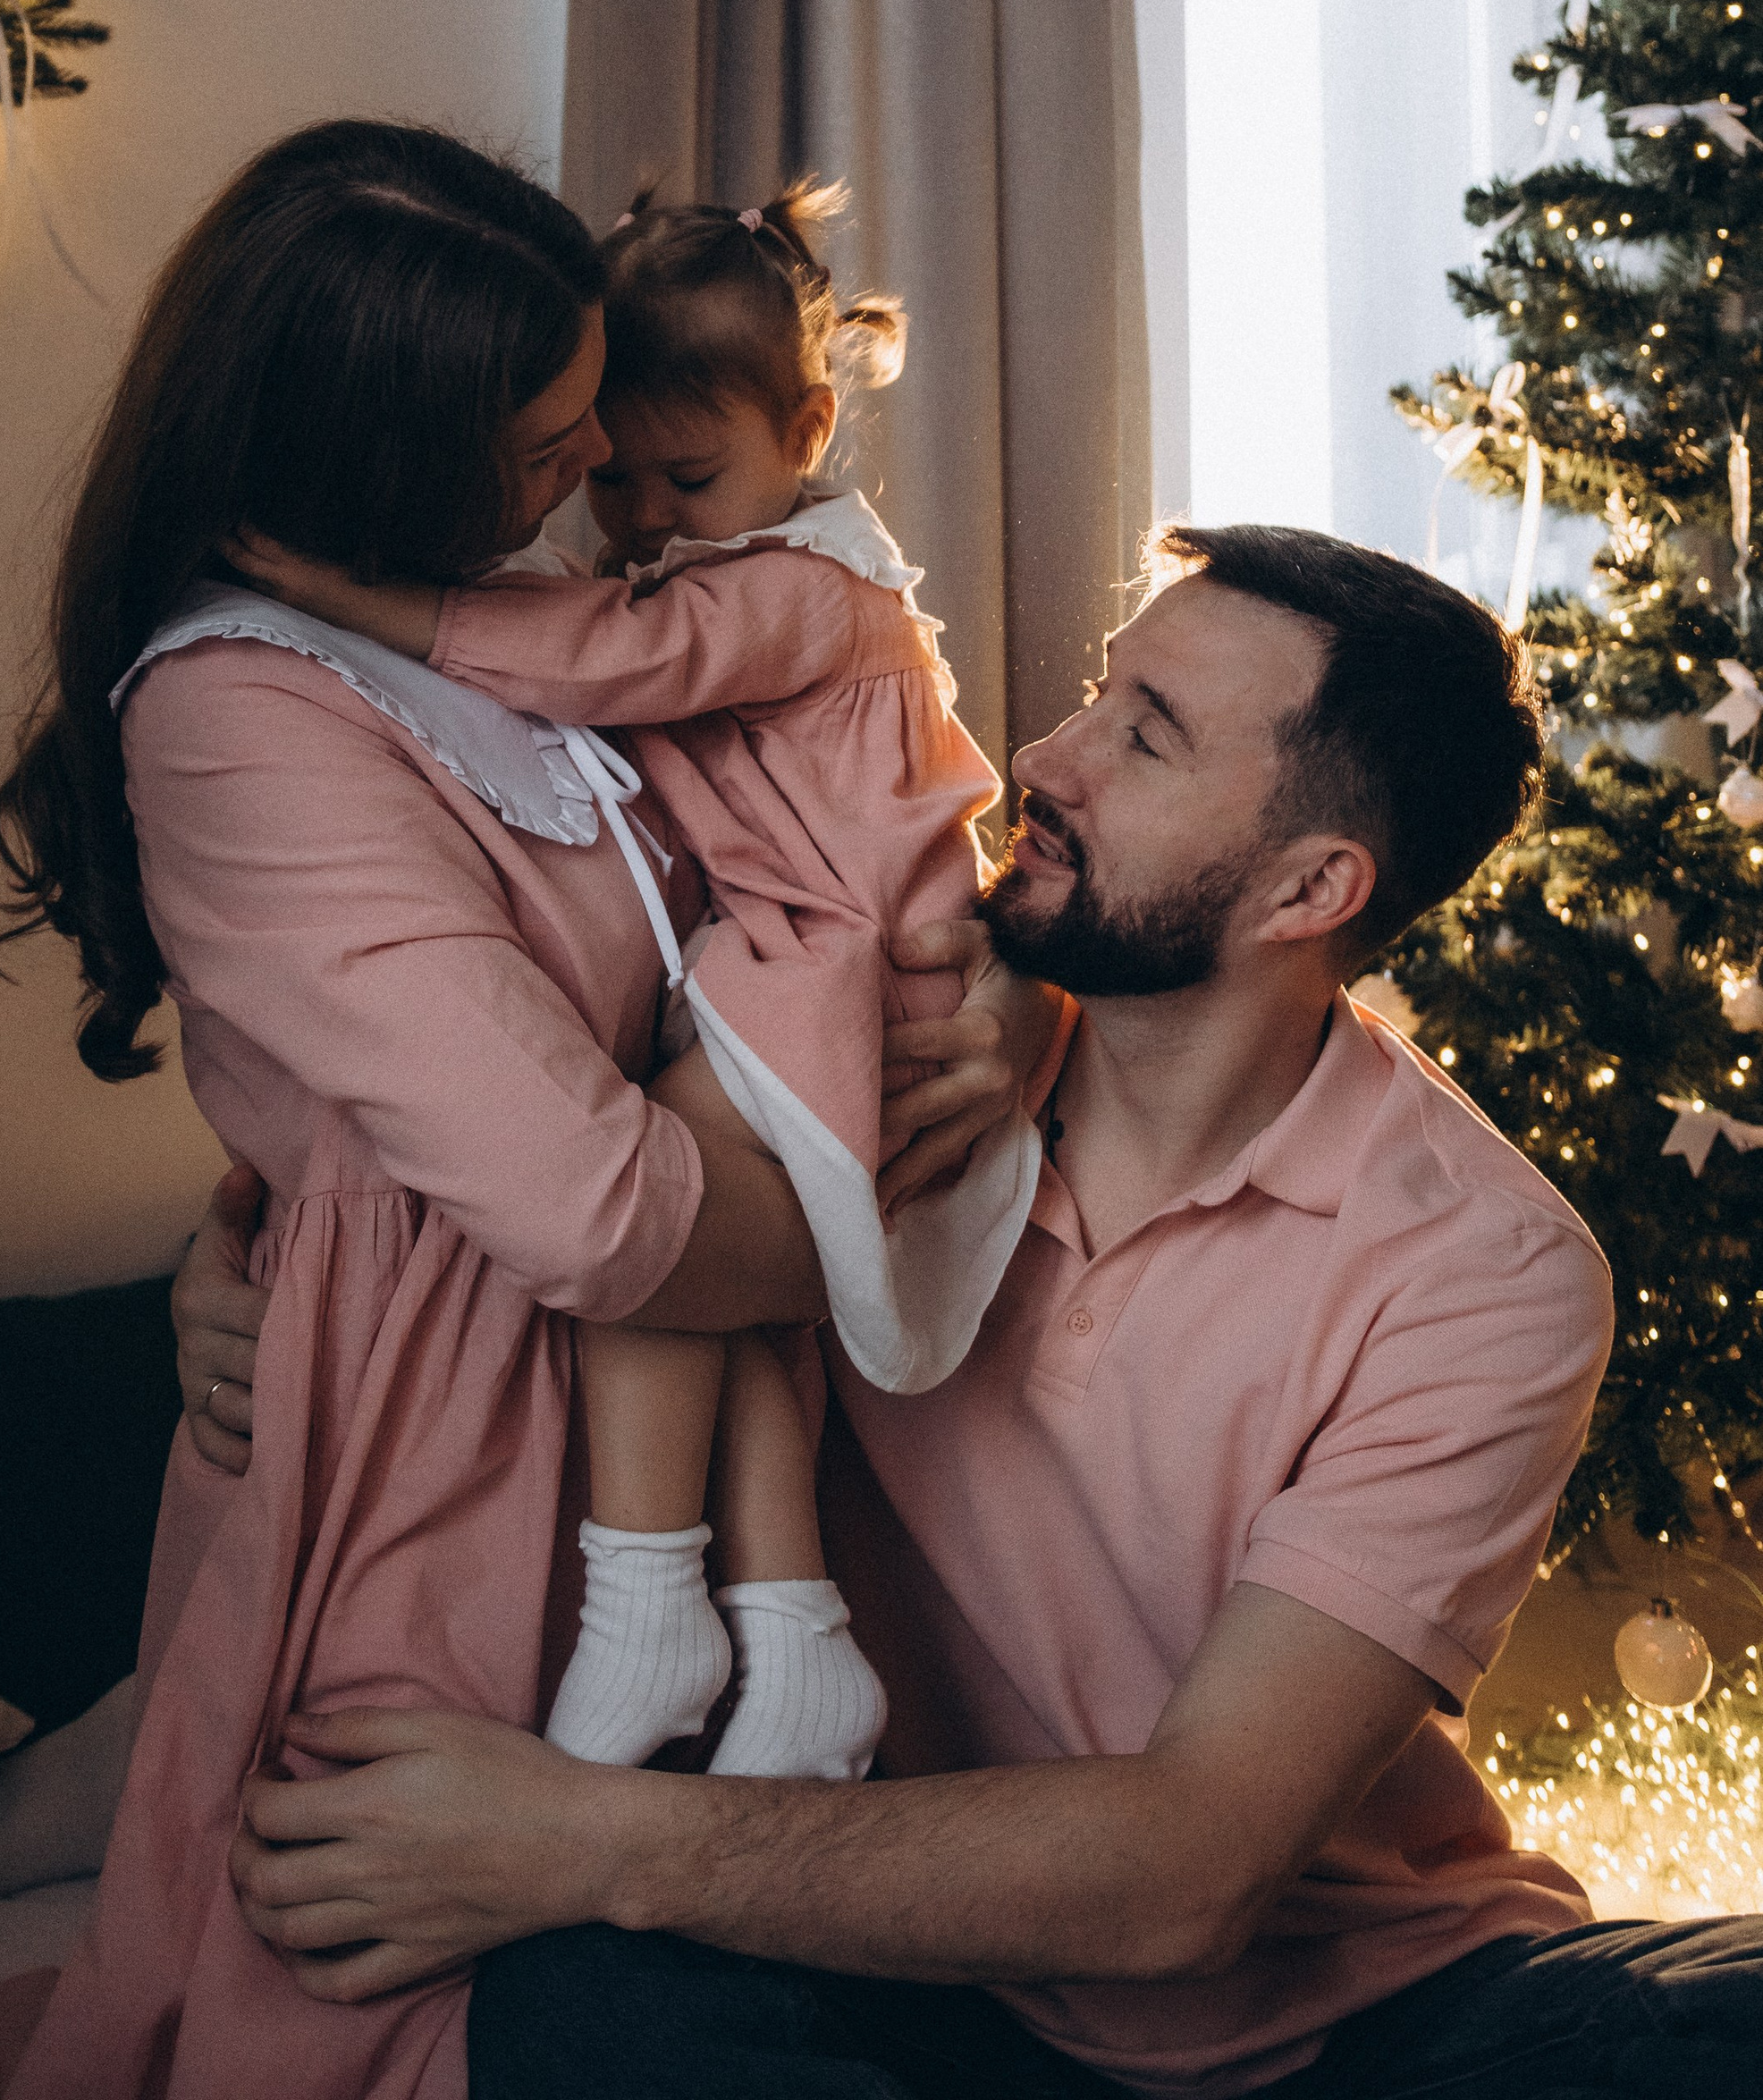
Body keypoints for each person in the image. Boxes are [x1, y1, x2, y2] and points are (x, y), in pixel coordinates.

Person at [176, 523, 1763, 2093]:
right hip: (915, 1982)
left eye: (1143, 736)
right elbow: (544, 1196)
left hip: (1376, 2019)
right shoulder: (859, 1076)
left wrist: (583, 1840)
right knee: (576, 2015)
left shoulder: (1484, 1269)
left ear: (1312, 888)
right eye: (1097, 690)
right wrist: (243, 1282)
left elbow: (1189, 1871)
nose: (1042, 754)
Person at [0, 120, 1015, 2100]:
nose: (589, 486)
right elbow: (592, 1208)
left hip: (682, 1394)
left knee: (739, 1954)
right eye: (542, 451)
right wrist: (899, 1213)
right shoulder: (238, 709)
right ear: (374, 465)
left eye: (592, 426)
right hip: (439, 1433)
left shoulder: (537, 614)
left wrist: (981, 1012)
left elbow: (761, 910)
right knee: (387, 1998)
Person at [234, 180, 1050, 1790]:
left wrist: (342, 598)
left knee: (661, 1222)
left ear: (811, 427)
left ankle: (644, 1599)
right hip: (799, 969)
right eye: (612, 487)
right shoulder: (713, 558)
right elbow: (594, 623)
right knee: (742, 1322)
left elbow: (608, 657)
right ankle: (794, 1633)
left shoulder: (814, 585)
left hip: (859, 967)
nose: (648, 522)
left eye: (689, 477)